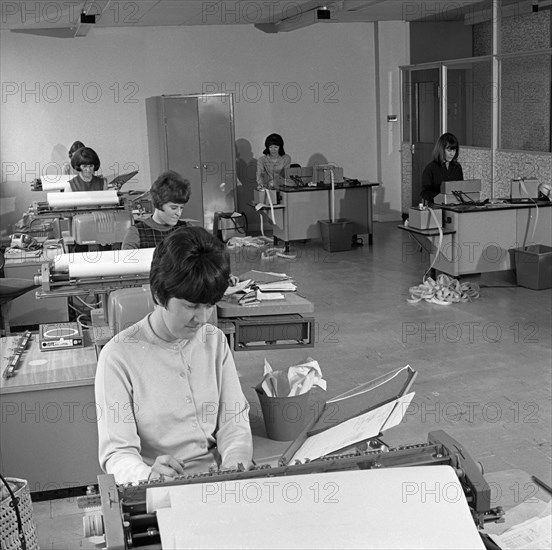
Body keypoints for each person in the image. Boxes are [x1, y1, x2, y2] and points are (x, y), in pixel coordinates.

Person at [95, 226, 253, 484]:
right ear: (159, 295)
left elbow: (233, 419)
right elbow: (117, 454)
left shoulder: (214, 341)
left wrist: (235, 460)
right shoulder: (118, 357)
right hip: (160, 487)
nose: (202, 318)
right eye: (191, 306)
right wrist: (148, 475)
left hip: (218, 478)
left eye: (209, 305)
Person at [122, 170, 191, 249]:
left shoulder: (187, 230)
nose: (179, 213)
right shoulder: (136, 234)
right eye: (174, 208)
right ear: (159, 203)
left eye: (181, 207)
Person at [420, 132, 464, 204]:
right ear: (441, 150)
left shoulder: (457, 167)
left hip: (455, 205)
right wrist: (441, 197)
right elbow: (424, 193)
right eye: (449, 150)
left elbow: (461, 188)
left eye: (454, 150)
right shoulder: (430, 168)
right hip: (437, 207)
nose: (452, 154)